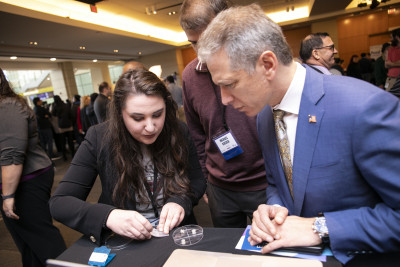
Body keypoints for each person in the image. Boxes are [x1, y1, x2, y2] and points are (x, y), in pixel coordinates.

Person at [197, 4, 400, 265]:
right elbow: (276, 183)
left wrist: (320, 228)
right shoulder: (264, 115)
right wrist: (275, 209)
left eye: (230, 84)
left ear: (267, 64)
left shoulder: (363, 107)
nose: (223, 99)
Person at [49, 70, 206, 244]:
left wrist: (180, 201)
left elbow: (198, 180)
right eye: (138, 118)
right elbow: (59, 203)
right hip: (126, 240)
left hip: (177, 234)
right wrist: (109, 216)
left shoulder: (179, 130)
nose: (151, 127)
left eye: (157, 114)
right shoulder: (99, 138)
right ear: (119, 113)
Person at [179, 0, 267, 228]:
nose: (201, 52)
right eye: (193, 43)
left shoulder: (255, 62)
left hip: (265, 185)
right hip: (220, 189)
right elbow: (197, 136)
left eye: (207, 40)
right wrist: (206, 182)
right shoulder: (190, 76)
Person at [0, 68, 66, 266]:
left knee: (43, 239)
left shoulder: (7, 105)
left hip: (26, 181)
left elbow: (12, 155)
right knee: (28, 242)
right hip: (19, 180)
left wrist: (8, 195)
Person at [52, 95, 75, 161]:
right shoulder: (66, 105)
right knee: (70, 141)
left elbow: (53, 114)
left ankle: (64, 156)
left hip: (61, 126)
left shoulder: (56, 106)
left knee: (63, 142)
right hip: (69, 125)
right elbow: (71, 114)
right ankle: (73, 154)